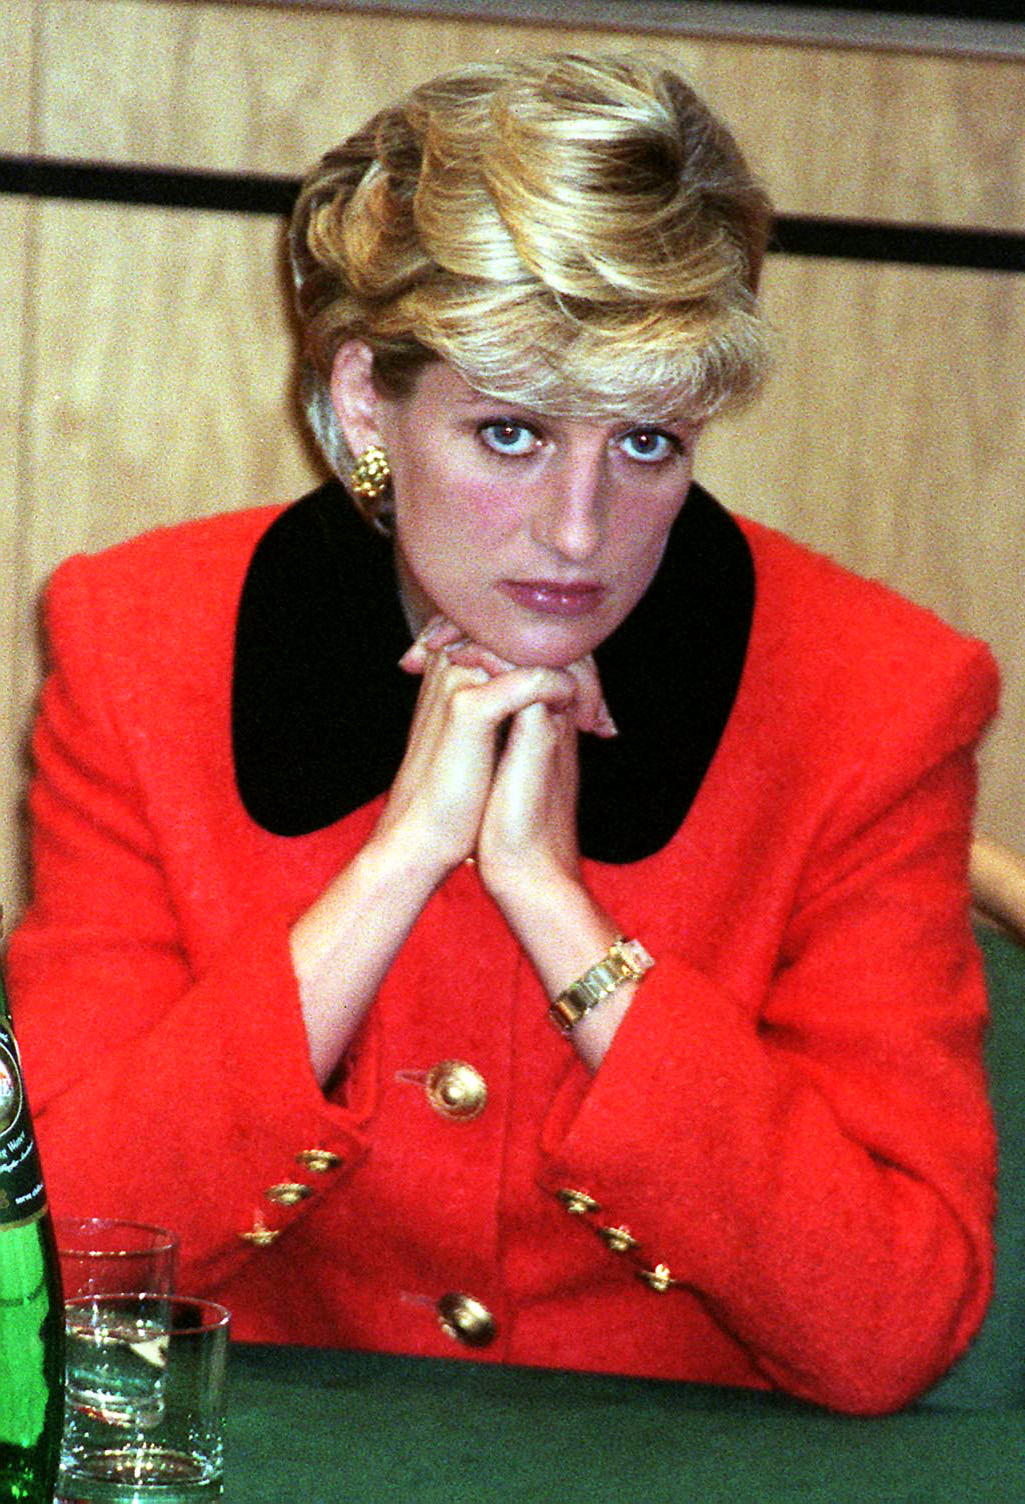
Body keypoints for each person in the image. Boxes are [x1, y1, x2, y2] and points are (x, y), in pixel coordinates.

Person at [8, 53, 999, 1415]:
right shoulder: (142, 648)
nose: (578, 533)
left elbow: (890, 1324)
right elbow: (47, 1271)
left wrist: (561, 914)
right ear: (367, 402)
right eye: (511, 433)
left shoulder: (869, 698)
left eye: (645, 444)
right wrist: (393, 866)